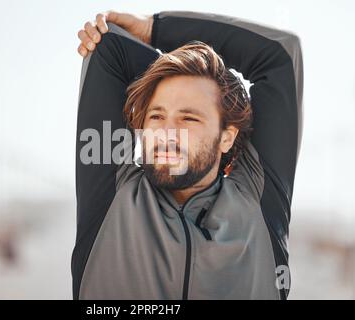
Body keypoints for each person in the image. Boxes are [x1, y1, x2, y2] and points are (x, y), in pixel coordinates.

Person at [73, 10, 303, 299]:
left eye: (189, 118)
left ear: (226, 137)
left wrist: (155, 30)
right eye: (156, 116)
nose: (168, 132)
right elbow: (110, 49)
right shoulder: (111, 195)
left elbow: (280, 53)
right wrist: (180, 72)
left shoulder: (258, 202)